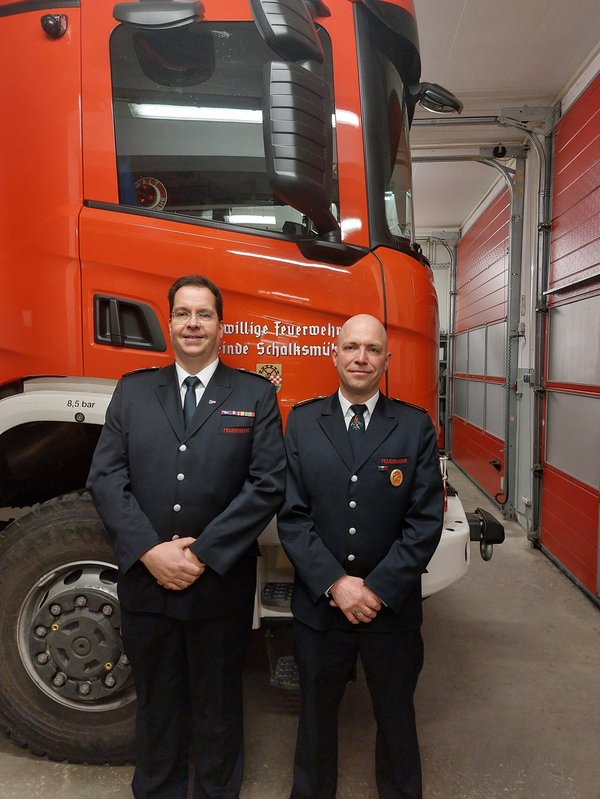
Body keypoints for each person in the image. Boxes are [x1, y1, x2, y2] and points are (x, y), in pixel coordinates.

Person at [87, 274, 286, 799]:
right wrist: (151, 552)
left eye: (204, 314)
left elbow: (267, 484)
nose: (193, 324)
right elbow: (105, 477)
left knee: (219, 705)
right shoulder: (132, 391)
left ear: (220, 324)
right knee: (156, 704)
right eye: (183, 314)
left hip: (217, 585)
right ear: (169, 322)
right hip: (147, 584)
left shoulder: (255, 394)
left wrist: (201, 554)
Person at [277, 314, 444, 799]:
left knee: (396, 718)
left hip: (390, 609)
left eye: (372, 349)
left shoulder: (413, 427)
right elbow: (293, 516)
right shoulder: (304, 422)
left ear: (386, 361)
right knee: (314, 720)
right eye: (351, 347)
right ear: (335, 354)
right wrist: (336, 582)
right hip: (320, 606)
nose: (361, 358)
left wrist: (375, 588)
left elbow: (424, 521)